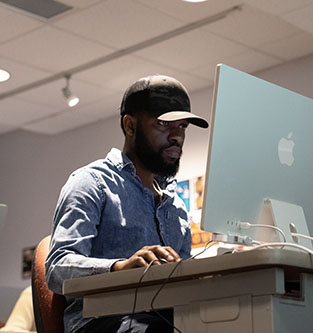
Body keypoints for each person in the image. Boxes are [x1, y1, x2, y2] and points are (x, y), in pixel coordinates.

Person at [45, 74, 209, 333]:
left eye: (183, 127)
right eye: (164, 125)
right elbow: (57, 269)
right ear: (130, 126)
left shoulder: (175, 205)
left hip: (163, 319)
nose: (177, 136)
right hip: (100, 323)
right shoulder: (91, 182)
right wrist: (118, 267)